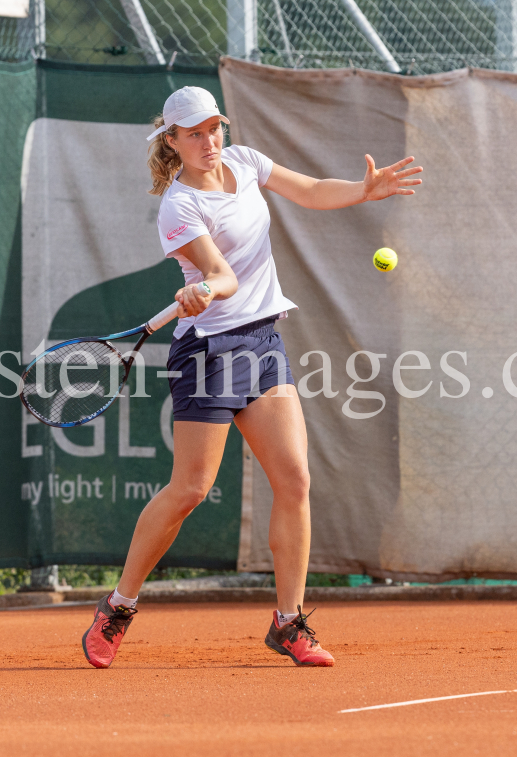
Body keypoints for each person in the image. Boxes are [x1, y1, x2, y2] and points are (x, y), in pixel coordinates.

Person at [82, 86, 422, 669]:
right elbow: (220, 274)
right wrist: (204, 290)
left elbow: (310, 191)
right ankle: (118, 605)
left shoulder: (244, 161)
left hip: (262, 341)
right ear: (172, 141)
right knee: (189, 489)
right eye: (194, 133)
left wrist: (363, 190)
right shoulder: (179, 206)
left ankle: (288, 622)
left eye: (215, 128)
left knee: (294, 480)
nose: (209, 141)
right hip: (209, 352)